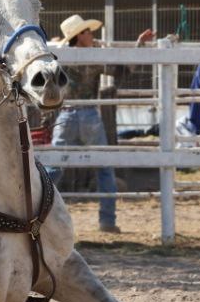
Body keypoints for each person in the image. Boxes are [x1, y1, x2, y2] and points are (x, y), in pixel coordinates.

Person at [48, 14, 154, 234]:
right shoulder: (93, 57)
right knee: (104, 168)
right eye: (88, 32)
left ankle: (37, 212)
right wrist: (138, 45)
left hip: (66, 116)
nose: (92, 35)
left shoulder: (60, 57)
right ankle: (107, 220)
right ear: (79, 36)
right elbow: (122, 71)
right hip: (89, 116)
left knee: (54, 167)